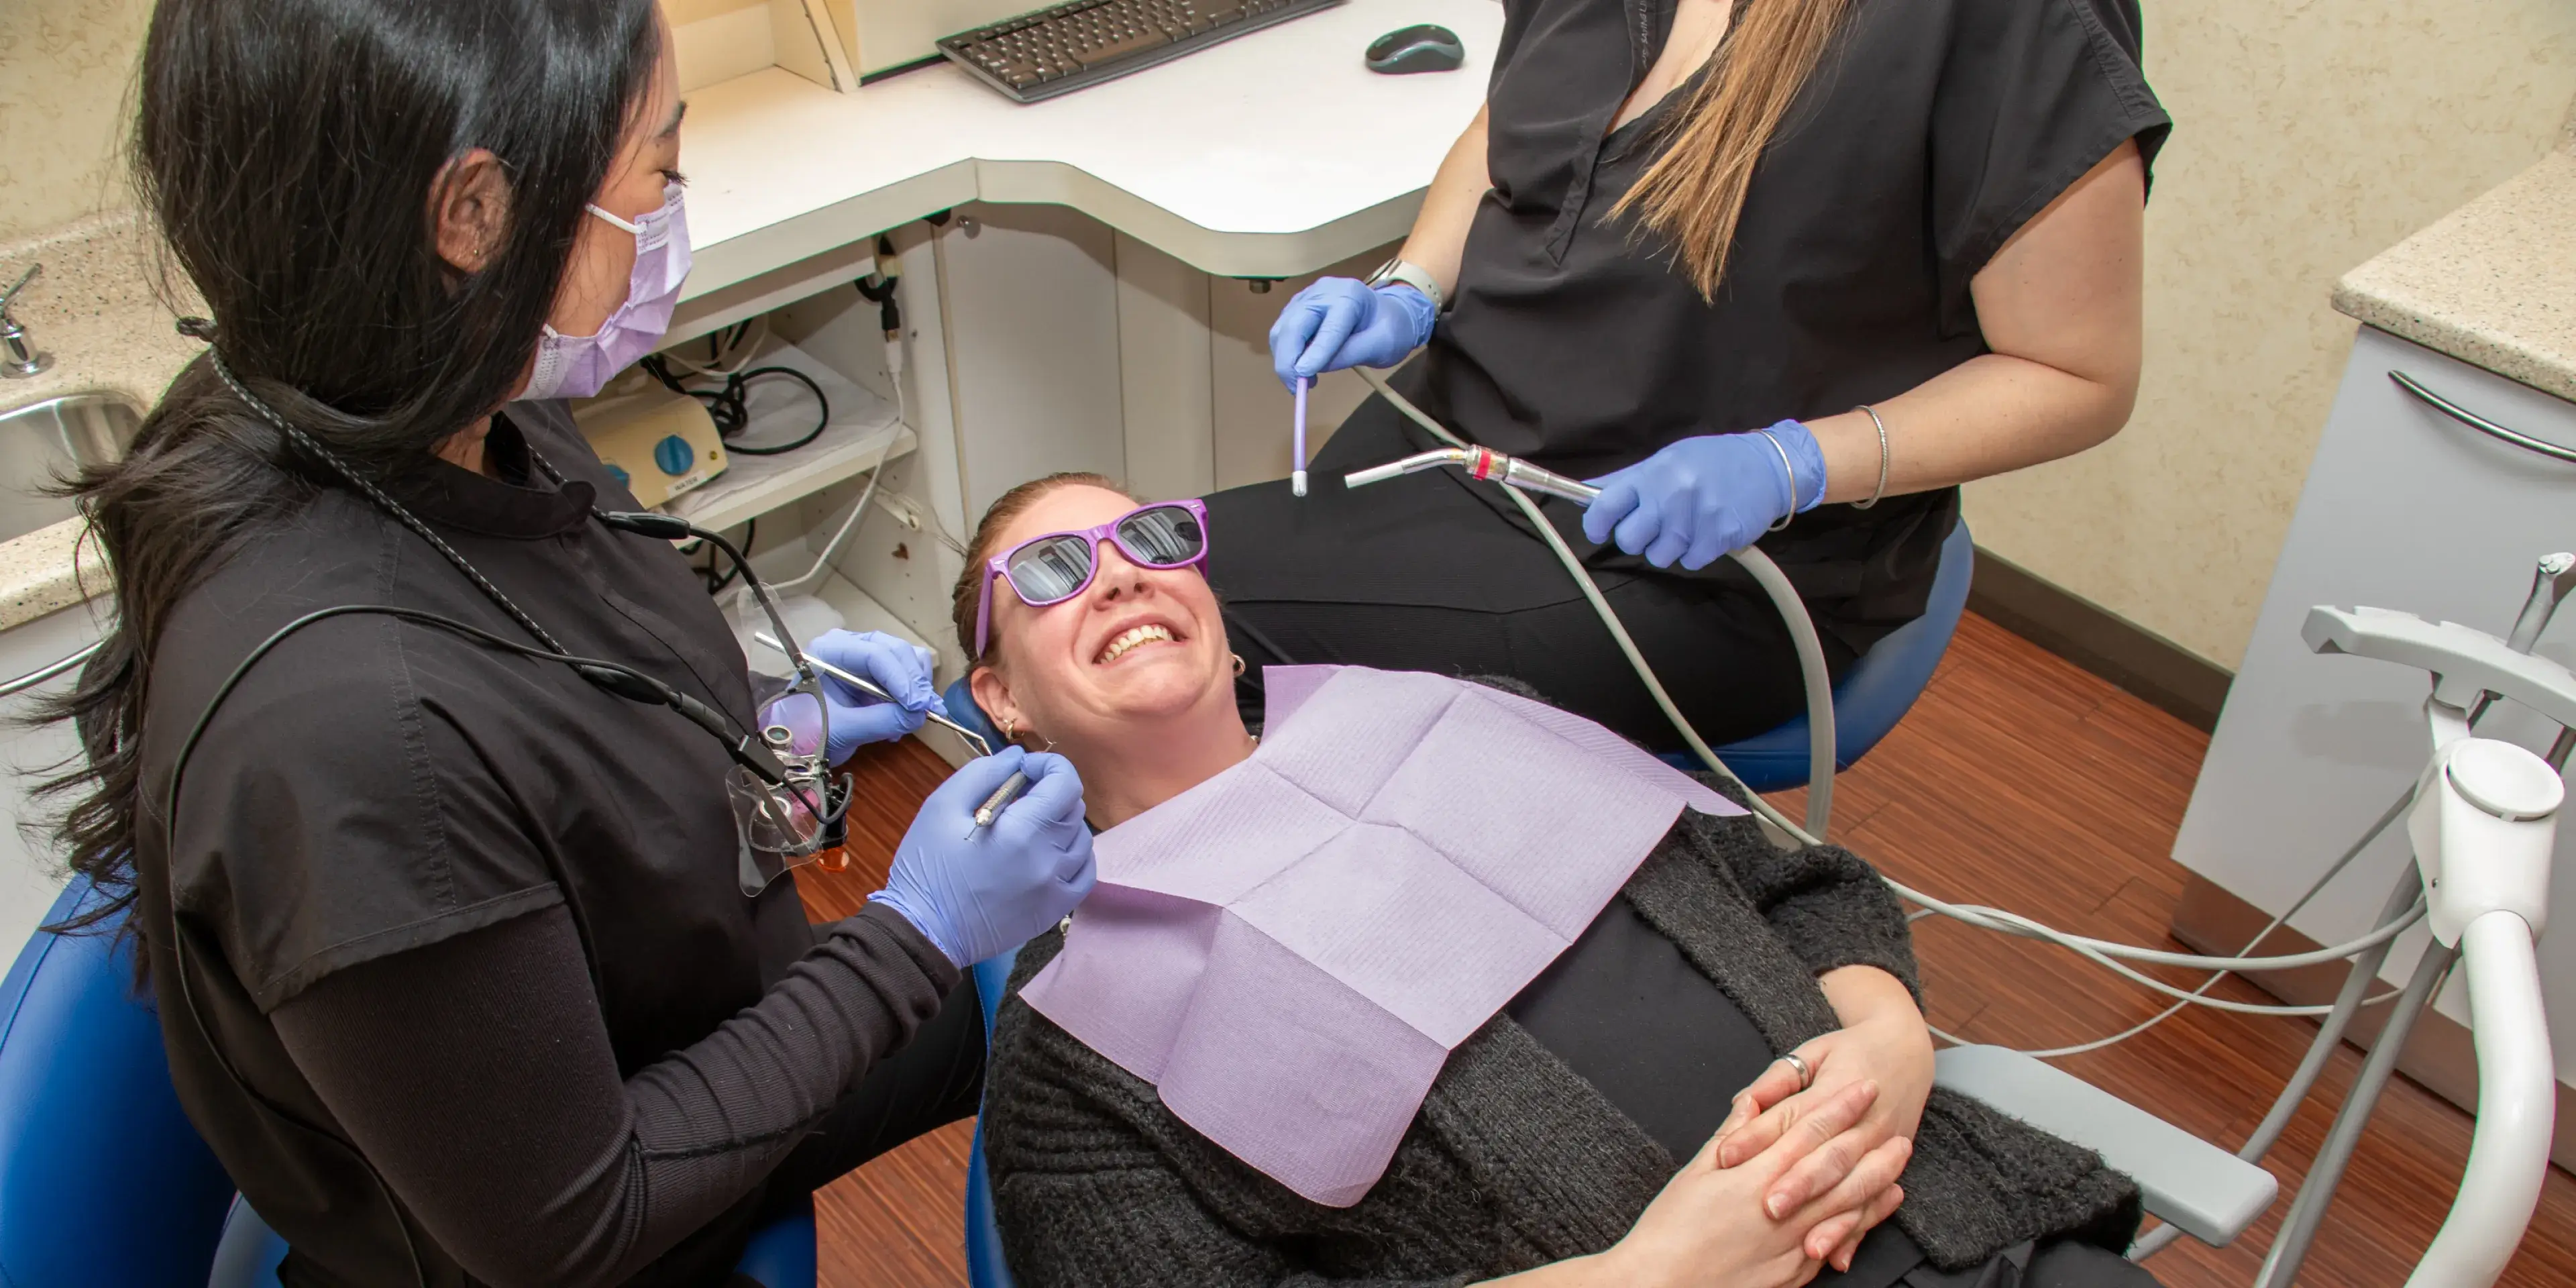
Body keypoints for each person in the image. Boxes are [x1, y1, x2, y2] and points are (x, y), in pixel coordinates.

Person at [37, 3, 1093, 1283]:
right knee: (1052, 1011)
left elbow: (526, 690)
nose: (673, 207)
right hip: (590, 1213)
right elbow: (576, 1223)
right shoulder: (345, 741)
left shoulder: (425, 396)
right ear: (472, 215)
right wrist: (917, 929)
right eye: (658, 168)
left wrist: (768, 716)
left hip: (622, 1017)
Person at [957, 474, 2157, 1288]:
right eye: (1053, 572)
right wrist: (1650, 1275)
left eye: (1155, 540)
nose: (1120, 576)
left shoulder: (1470, 716)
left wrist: (1893, 1042)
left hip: (1950, 1220)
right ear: (1000, 698)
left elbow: (1804, 889)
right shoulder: (1075, 1050)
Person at [1217, 0, 2169, 752]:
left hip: (1699, 563)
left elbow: (2075, 374)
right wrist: (1414, 284)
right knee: (1151, 618)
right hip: (1463, 431)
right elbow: (1507, 124)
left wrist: (1790, 464)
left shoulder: (2010, 22)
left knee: (1157, 611)